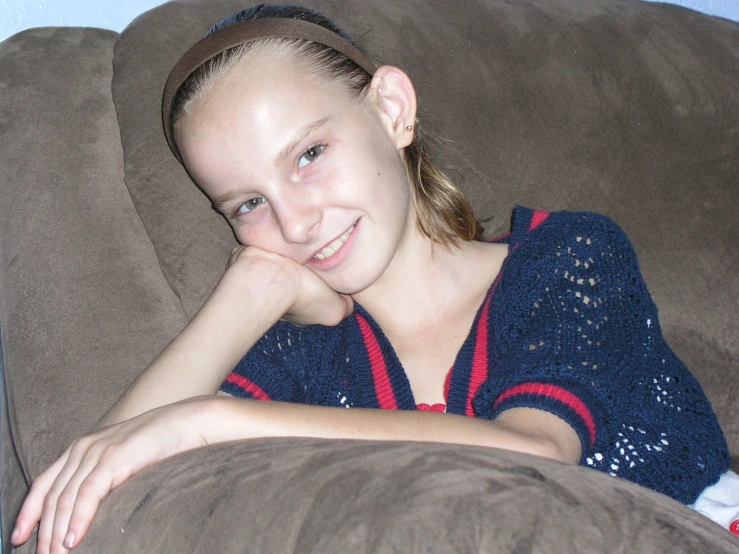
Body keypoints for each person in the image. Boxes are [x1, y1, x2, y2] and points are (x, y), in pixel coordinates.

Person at [11, 4, 735, 552]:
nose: (295, 223)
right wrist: (248, 293)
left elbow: (540, 453)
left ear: (391, 110)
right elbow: (87, 500)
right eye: (248, 203)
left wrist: (206, 422)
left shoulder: (567, 257)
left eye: (308, 154)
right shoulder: (306, 344)